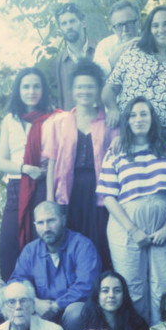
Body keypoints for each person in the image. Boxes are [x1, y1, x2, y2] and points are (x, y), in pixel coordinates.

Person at [97, 96, 166, 323]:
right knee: (132, 289)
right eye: (132, 115)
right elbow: (108, 197)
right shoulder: (117, 150)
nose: (138, 119)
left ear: (152, 118)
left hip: (164, 227)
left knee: (165, 288)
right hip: (126, 228)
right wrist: (133, 230)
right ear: (126, 120)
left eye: (144, 114)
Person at [44, 59, 117, 267]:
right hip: (68, 191)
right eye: (80, 87)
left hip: (100, 192)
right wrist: (50, 200)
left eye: (90, 86)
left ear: (98, 90)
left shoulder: (109, 122)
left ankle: (99, 284)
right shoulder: (59, 122)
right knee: (70, 244)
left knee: (99, 242)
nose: (84, 91)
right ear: (73, 90)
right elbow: (52, 163)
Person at [0, 67, 61, 280]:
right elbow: (1, 162)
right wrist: (25, 169)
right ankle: (11, 292)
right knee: (9, 243)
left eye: (36, 86)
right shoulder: (10, 120)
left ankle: (40, 293)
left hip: (42, 186)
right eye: (26, 87)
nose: (31, 91)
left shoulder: (54, 119)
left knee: (40, 242)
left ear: (43, 90)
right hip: (17, 186)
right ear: (18, 90)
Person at [102, 5, 166, 137]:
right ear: (149, 29)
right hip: (130, 132)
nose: (161, 30)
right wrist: (113, 109)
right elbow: (109, 89)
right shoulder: (133, 54)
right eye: (155, 26)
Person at [10, 201, 101, 330]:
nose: (46, 228)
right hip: (41, 310)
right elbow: (16, 282)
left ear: (63, 220)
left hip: (71, 309)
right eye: (40, 223)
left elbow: (87, 285)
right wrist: (34, 303)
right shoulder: (30, 251)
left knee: (75, 314)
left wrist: (56, 305)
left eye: (51, 221)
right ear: (35, 225)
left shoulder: (82, 246)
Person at [95, 0, 166, 76]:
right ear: (113, 28)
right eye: (119, 25)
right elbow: (96, 72)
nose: (124, 29)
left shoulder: (152, 38)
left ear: (139, 22)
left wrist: (153, 41)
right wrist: (123, 49)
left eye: (129, 23)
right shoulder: (106, 45)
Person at [50, 2, 96, 110]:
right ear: (60, 28)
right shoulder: (57, 63)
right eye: (64, 23)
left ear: (83, 23)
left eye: (72, 21)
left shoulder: (100, 50)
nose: (68, 27)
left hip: (101, 117)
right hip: (71, 118)